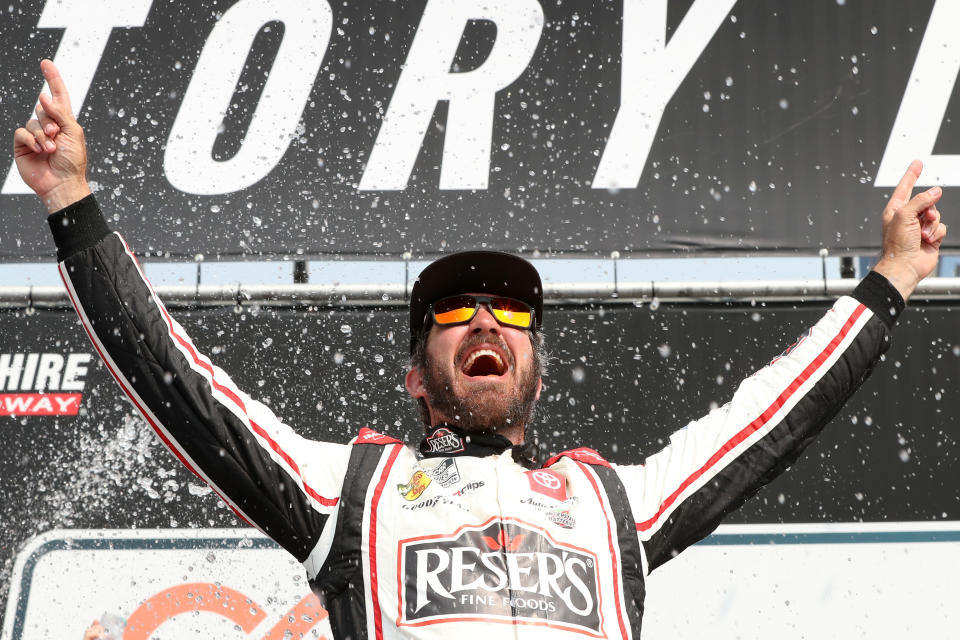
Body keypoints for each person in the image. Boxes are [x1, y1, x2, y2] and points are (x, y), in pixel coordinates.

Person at [16, 59, 947, 639]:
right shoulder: (357, 493)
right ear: (417, 377)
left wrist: (892, 278)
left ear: (537, 368)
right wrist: (72, 206)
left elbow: (772, 417)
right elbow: (182, 385)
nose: (487, 322)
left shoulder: (608, 503)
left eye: (508, 312)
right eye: (454, 314)